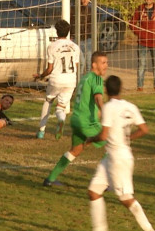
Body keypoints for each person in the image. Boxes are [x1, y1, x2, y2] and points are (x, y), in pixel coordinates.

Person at [77, 76, 155, 231]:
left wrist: (90, 140)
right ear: (121, 88)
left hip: (118, 159)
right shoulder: (131, 106)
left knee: (125, 198)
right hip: (113, 156)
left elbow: (103, 135)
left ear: (106, 90)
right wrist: (128, 138)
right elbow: (144, 129)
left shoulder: (108, 108)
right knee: (94, 191)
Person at [43, 51, 108, 186]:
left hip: (76, 120)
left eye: (106, 62)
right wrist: (105, 111)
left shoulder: (85, 78)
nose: (106, 66)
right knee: (112, 145)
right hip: (87, 122)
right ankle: (101, 183)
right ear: (94, 64)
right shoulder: (96, 78)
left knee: (75, 150)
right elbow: (97, 97)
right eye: (103, 63)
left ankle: (50, 179)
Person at [33, 19, 80, 139]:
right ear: (68, 32)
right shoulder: (75, 47)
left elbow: (49, 69)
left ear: (56, 32)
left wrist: (40, 76)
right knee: (61, 107)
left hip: (56, 79)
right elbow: (76, 66)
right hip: (70, 80)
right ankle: (61, 119)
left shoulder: (52, 46)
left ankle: (41, 131)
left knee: (48, 100)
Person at [71, 0, 92, 73]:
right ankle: (79, 82)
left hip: (88, 39)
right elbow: (71, 23)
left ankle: (88, 83)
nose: (85, 0)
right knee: (81, 63)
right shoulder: (73, 10)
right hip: (77, 39)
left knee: (88, 63)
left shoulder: (91, 10)